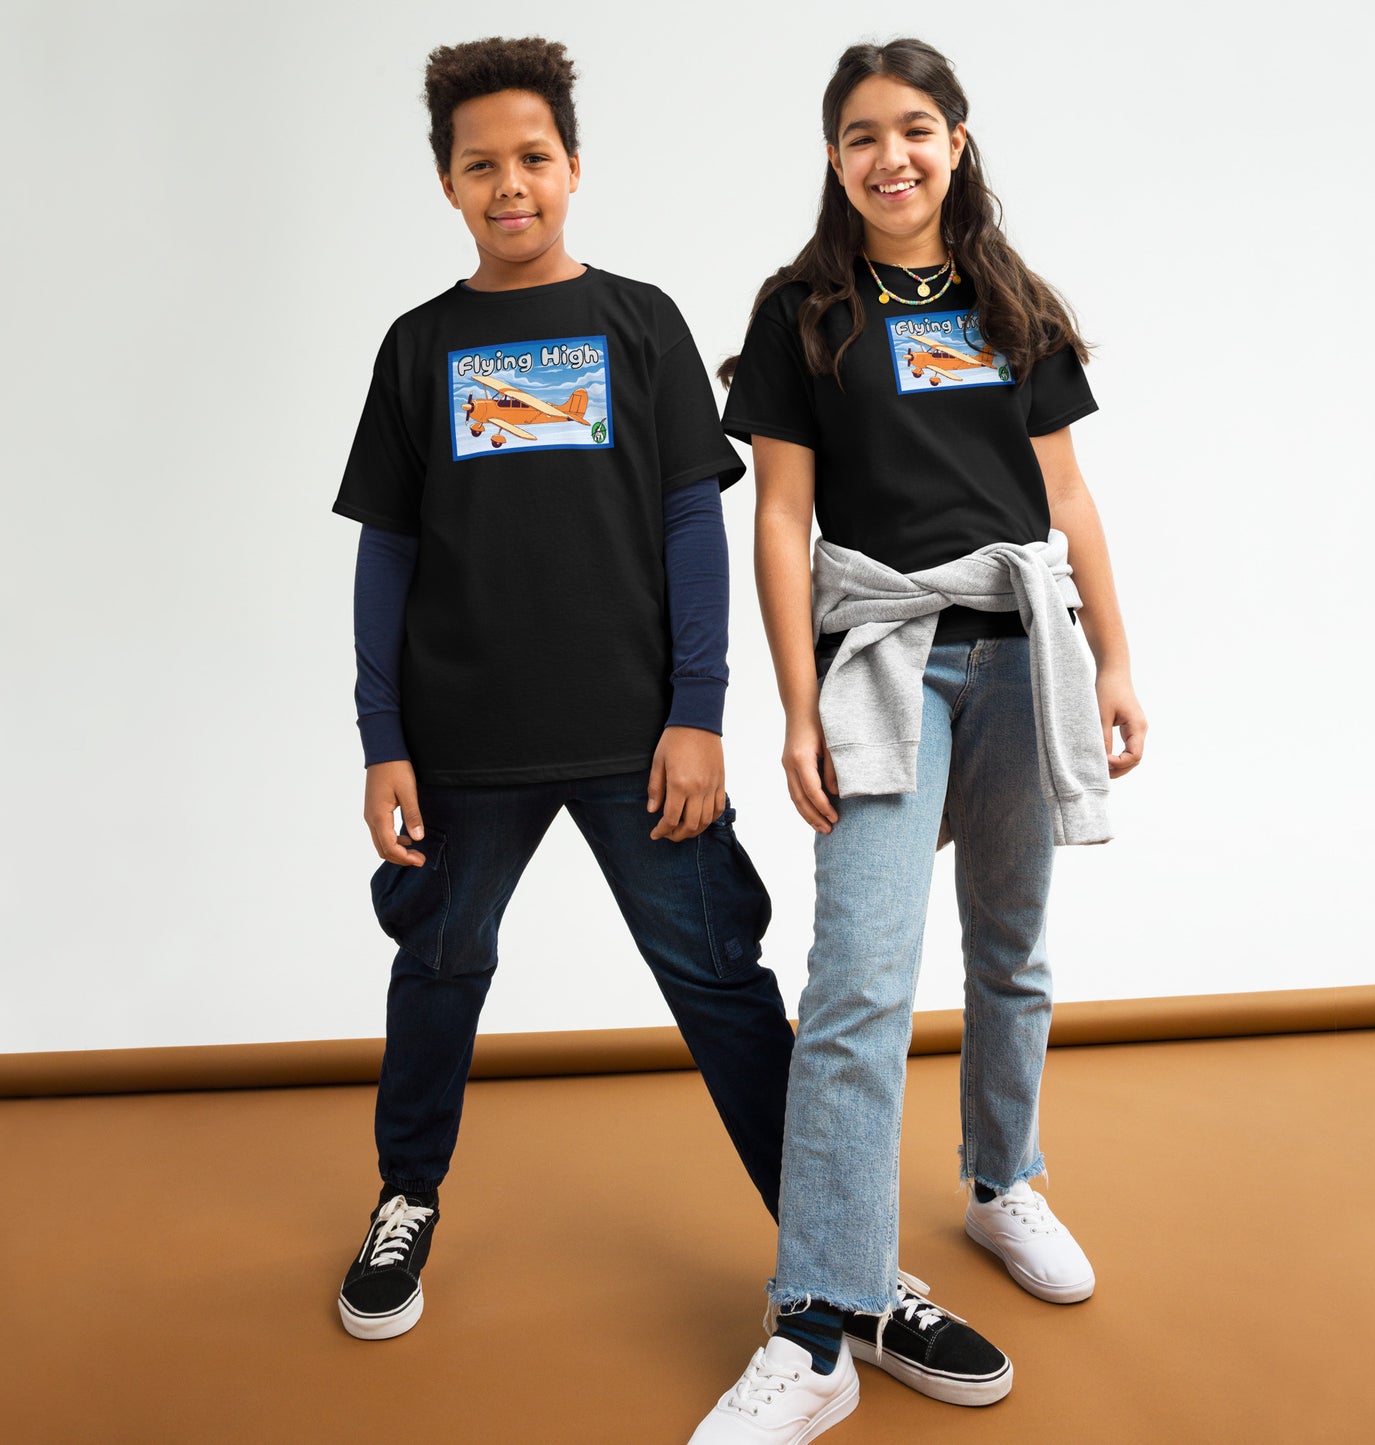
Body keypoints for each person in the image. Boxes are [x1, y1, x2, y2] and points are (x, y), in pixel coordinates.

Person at [329, 39, 1004, 1403]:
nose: (509, 184)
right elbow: (387, 553)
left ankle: (848, 1270)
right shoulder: (417, 347)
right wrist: (381, 736)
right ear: (447, 184)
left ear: (572, 167)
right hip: (461, 746)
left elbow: (694, 530)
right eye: (480, 164)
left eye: (533, 157)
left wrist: (698, 715)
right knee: (439, 965)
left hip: (642, 747)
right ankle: (406, 1194)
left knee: (725, 993)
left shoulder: (638, 324)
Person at [689, 37, 1147, 1443]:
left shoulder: (1013, 301)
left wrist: (1115, 656)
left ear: (955, 141)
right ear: (834, 160)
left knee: (1011, 945)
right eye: (860, 137)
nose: (889, 156)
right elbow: (780, 519)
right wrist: (793, 705)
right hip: (887, 658)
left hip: (1023, 656)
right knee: (858, 983)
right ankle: (818, 1322)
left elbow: (1067, 499)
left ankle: (1003, 1182)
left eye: (913, 129)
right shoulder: (802, 312)